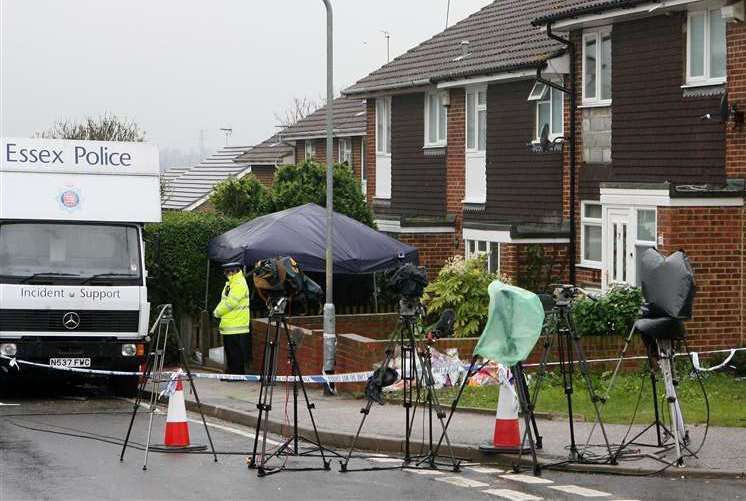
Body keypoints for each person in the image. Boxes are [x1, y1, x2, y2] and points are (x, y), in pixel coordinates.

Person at [213, 262, 251, 377]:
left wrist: (217, 312)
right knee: (231, 352)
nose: (226, 275)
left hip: (236, 325)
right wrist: (217, 311)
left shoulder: (239, 283)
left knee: (235, 353)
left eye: (227, 272)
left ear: (233, 271)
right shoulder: (231, 283)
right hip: (231, 325)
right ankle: (232, 374)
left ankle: (237, 376)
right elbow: (224, 300)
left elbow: (230, 303)